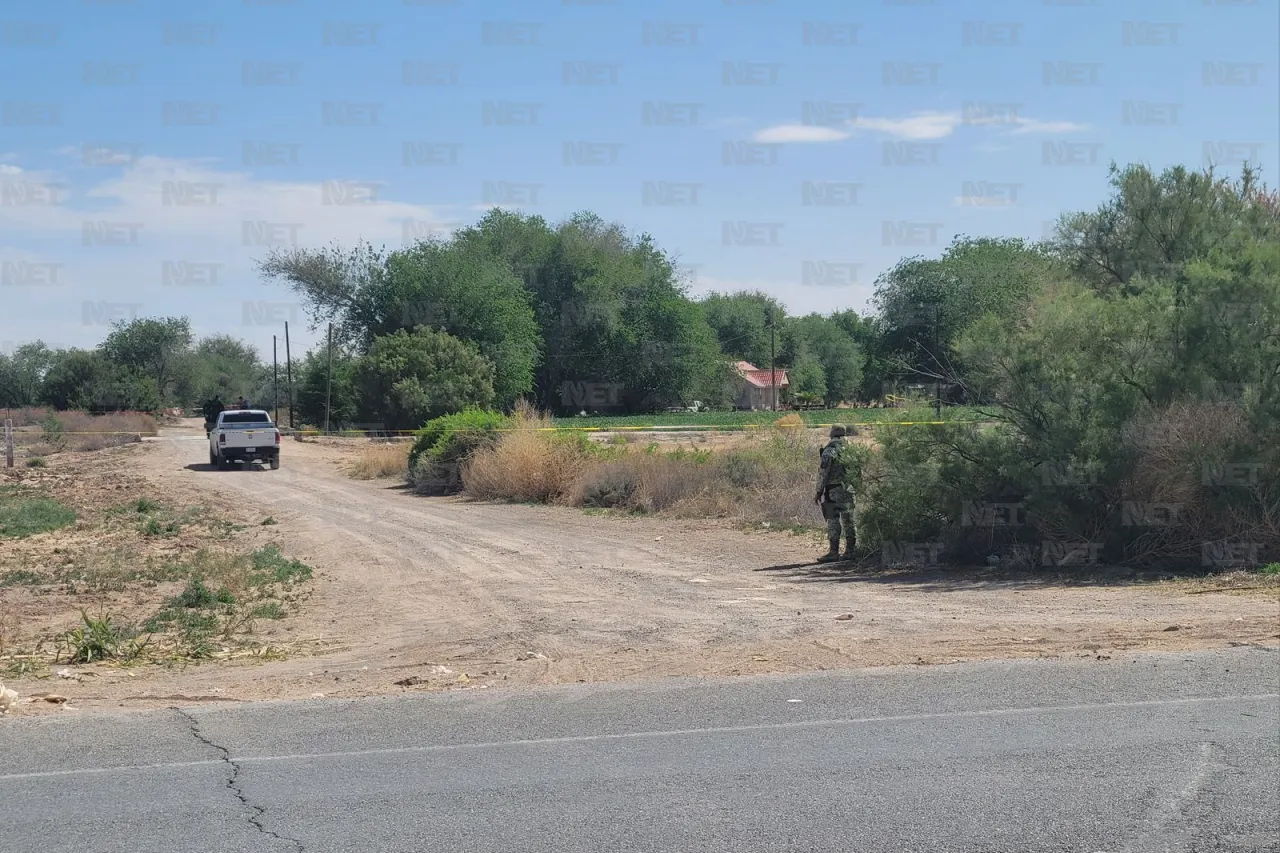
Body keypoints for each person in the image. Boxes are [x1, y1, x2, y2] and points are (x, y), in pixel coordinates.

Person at [814, 424, 857, 563]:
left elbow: (823, 473)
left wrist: (818, 491)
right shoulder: (852, 450)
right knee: (849, 520)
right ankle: (850, 551)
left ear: (832, 434)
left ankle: (833, 552)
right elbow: (858, 471)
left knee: (833, 520)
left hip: (832, 491)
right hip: (849, 490)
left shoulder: (829, 451)